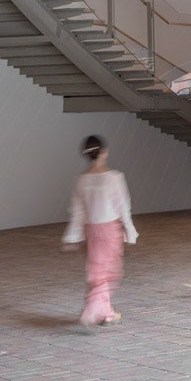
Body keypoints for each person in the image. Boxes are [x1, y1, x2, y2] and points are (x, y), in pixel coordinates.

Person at [62, 135, 137, 326]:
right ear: (104, 152)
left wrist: (73, 236)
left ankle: (106, 312)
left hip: (91, 231)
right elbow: (123, 207)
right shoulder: (114, 177)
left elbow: (78, 211)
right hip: (110, 230)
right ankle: (90, 312)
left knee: (97, 270)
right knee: (108, 271)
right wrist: (130, 231)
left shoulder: (82, 180)